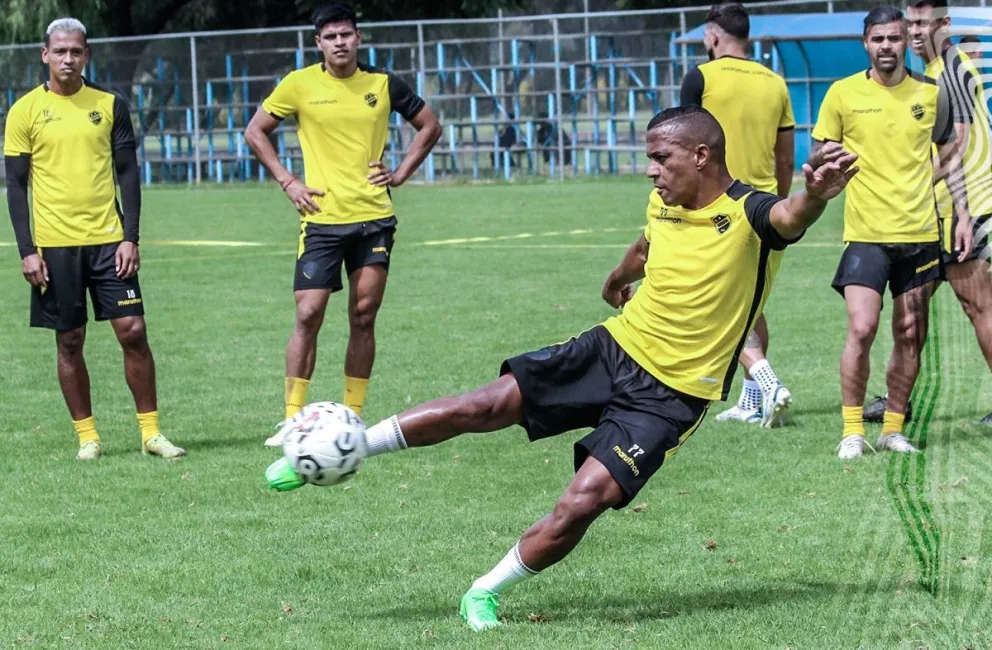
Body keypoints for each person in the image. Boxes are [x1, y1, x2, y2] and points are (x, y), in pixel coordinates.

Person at [266, 105, 859, 630]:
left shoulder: (750, 212)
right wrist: (616, 281)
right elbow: (647, 244)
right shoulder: (664, 200)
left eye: (660, 158)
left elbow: (790, 218)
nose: (650, 171)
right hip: (613, 347)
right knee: (484, 405)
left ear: (701, 155)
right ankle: (351, 448)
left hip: (672, 397)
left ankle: (484, 591)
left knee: (584, 501)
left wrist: (814, 193)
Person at [244, 2, 442, 445]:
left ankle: (352, 417)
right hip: (320, 219)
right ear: (318, 43)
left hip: (374, 218)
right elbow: (256, 131)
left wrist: (402, 172)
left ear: (358, 38)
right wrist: (288, 181)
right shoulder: (298, 84)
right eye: (330, 37)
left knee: (364, 315)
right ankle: (293, 419)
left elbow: (429, 125)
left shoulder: (383, 84)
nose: (339, 43)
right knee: (308, 313)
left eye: (346, 35)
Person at [3, 18, 184, 461]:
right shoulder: (23, 111)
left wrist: (131, 237)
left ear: (87, 55)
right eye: (60, 51)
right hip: (54, 247)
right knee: (69, 340)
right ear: (45, 55)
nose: (68, 58)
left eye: (76, 51)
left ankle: (151, 434)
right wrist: (28, 251)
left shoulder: (109, 104)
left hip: (108, 241)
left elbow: (128, 173)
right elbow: (15, 185)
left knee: (134, 331)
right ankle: (88, 437)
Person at [811, 6, 973, 459]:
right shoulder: (843, 94)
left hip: (920, 232)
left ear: (907, 42)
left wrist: (960, 213)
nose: (887, 46)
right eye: (878, 39)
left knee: (909, 333)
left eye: (895, 39)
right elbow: (821, 146)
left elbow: (951, 151)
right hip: (866, 233)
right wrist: (830, 156)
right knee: (862, 328)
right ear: (865, 43)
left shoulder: (931, 93)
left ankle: (893, 429)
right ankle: (851, 431)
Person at [863, 1, 992, 428]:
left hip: (963, 213)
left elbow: (956, 146)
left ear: (945, 24)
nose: (916, 31)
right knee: (909, 313)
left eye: (924, 22)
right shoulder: (941, 71)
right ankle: (898, 401)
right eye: (911, 23)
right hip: (934, 218)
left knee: (979, 308)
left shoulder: (948, 71)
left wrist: (906, 182)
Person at [680, 2, 796, 428]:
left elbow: (682, 145)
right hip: (767, 208)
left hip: (718, 208)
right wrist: (782, 209)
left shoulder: (701, 77)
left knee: (719, 306)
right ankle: (751, 400)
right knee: (751, 304)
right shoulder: (775, 82)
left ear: (712, 36)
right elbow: (786, 159)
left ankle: (768, 382)